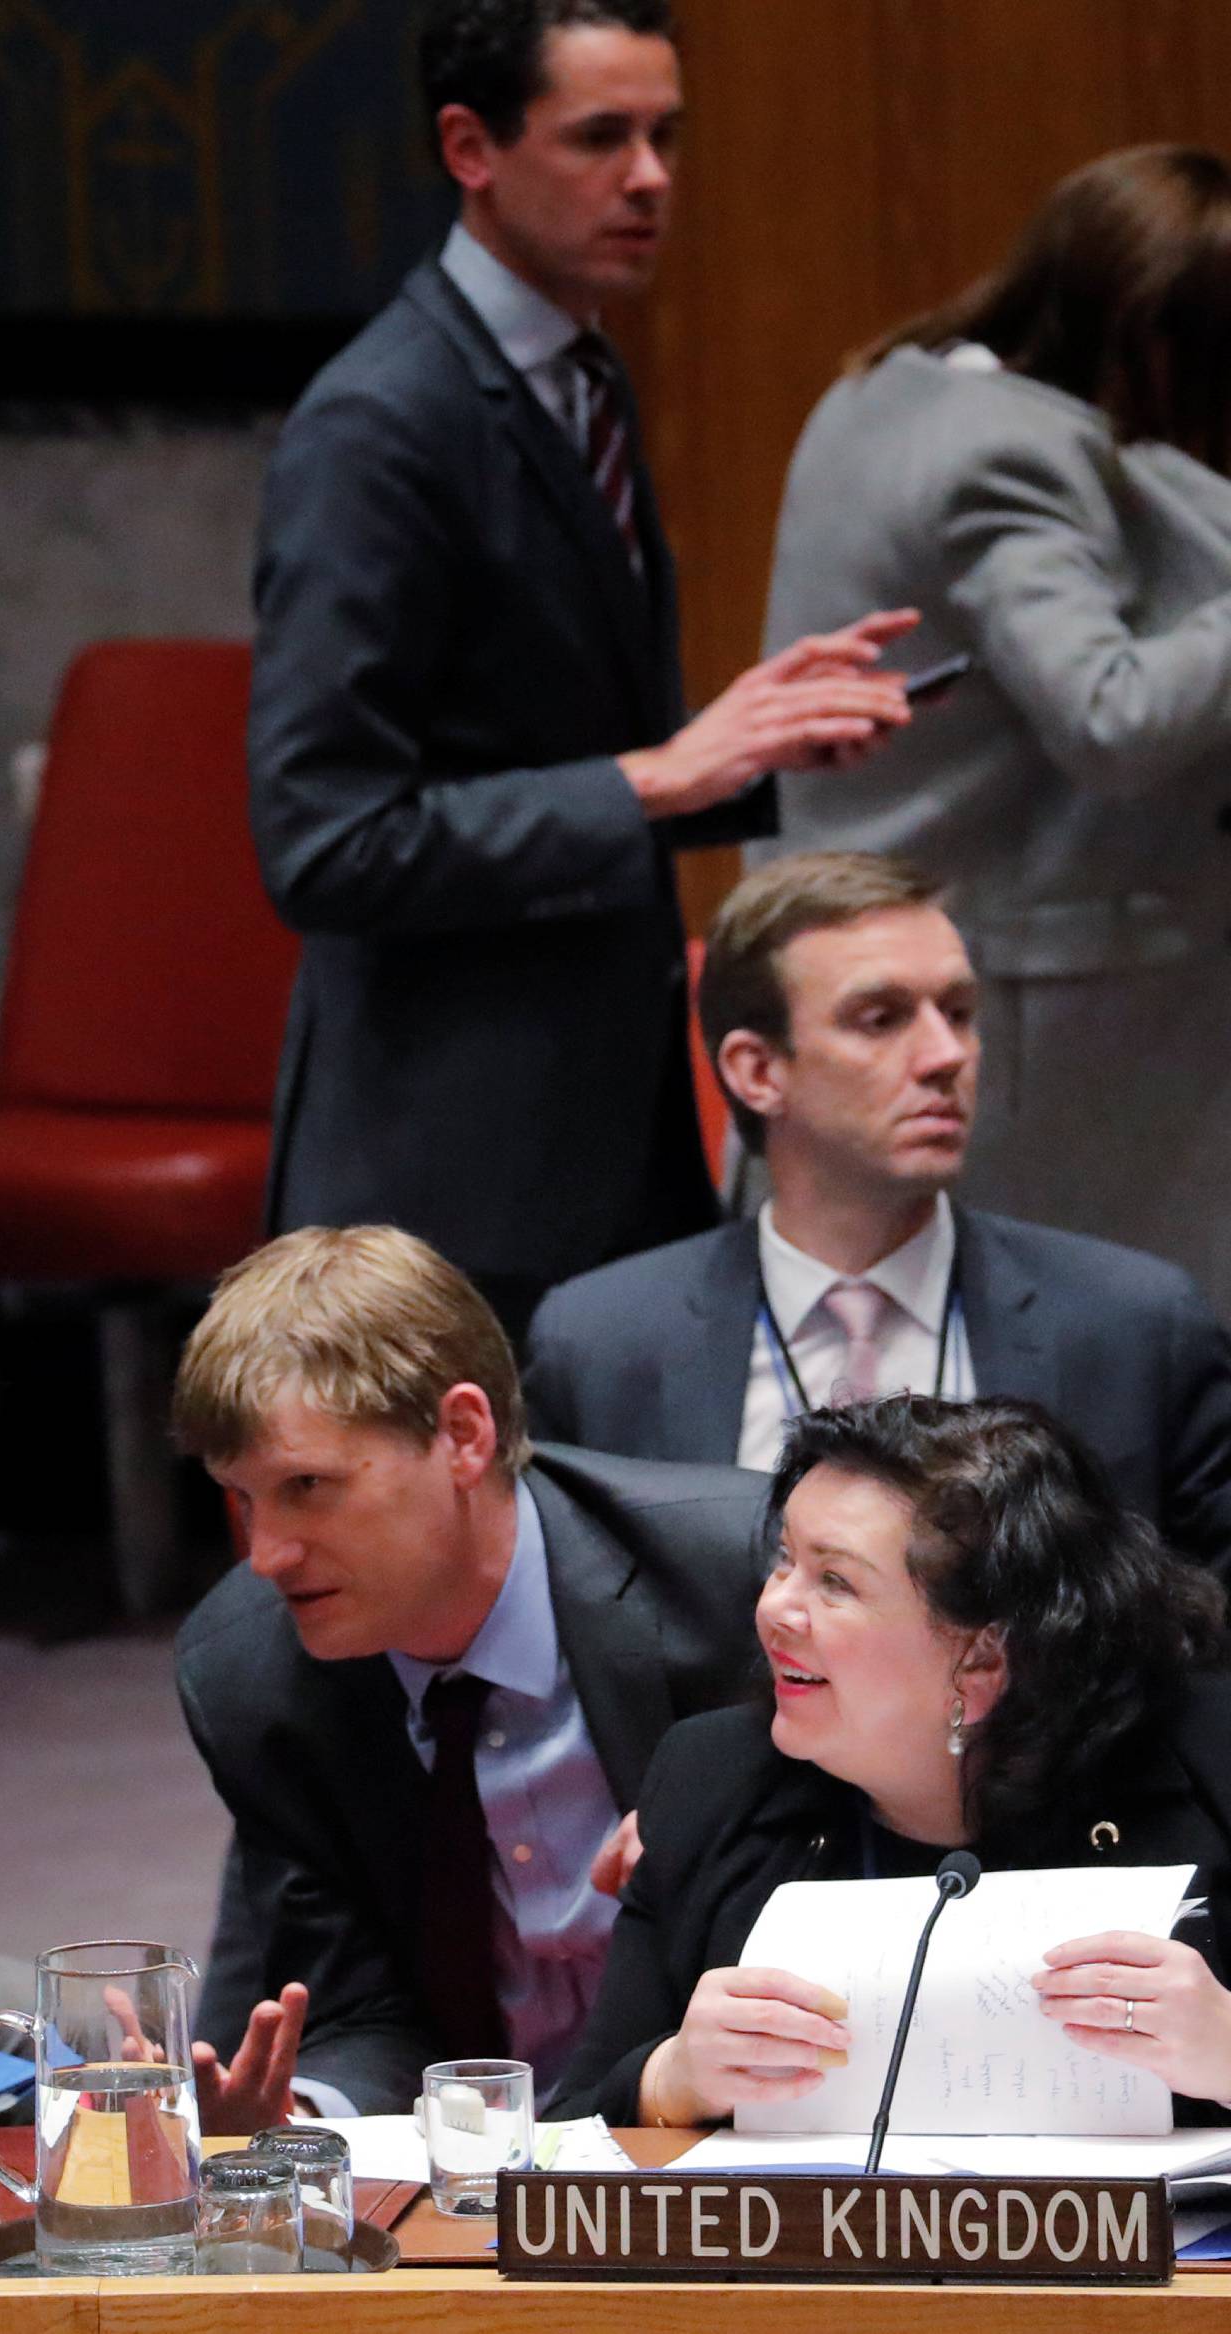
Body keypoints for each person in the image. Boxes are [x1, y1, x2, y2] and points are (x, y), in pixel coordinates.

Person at [249, 0, 914, 1339]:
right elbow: (324, 840)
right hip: (446, 1169)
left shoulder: (580, 372)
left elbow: (546, 739)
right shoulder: (380, 425)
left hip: (605, 1128)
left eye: (667, 136)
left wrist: (749, 747)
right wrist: (658, 775)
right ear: (470, 147)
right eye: (602, 137)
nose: (653, 177)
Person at [761, 145, 1231, 1313]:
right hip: (1028, 1011)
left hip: (883, 965)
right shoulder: (1007, 450)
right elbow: (1110, 714)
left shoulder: (888, 385)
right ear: (1154, 335)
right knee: (1064, 1405)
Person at [172, 1225, 767, 2115]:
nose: (266, 1554)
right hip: (461, 2179)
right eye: (242, 1498)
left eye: (306, 1488)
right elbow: (362, 2006)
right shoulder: (249, 1675)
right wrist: (307, 2118)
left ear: (461, 1434)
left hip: (724, 2140)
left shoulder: (734, 1583)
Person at [524, 854, 1231, 1574]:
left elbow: (1207, 1645)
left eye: (958, 1013)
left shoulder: (1134, 1330)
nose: (945, 1054)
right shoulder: (601, 1348)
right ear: (758, 1071)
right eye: (880, 1019)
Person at [548, 1395, 1231, 2125]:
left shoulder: (1208, 1763)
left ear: (981, 1658)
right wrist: (672, 2078)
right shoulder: (710, 1779)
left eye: (834, 1582)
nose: (776, 1607)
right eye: (786, 1560)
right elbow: (565, 2142)